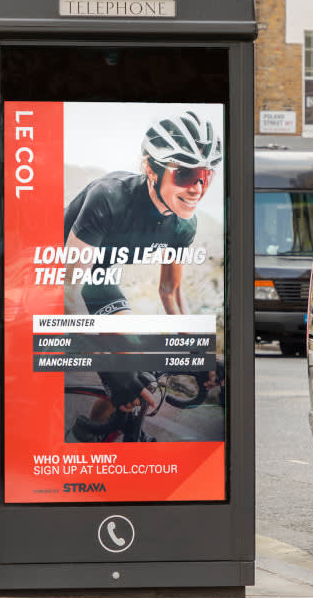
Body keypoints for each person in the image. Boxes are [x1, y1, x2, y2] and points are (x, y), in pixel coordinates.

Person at [62, 112, 222, 441]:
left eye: (206, 175)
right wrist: (111, 365)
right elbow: (65, 290)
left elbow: (171, 292)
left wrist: (196, 348)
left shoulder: (182, 224)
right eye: (186, 174)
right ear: (151, 168)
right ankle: (82, 438)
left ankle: (97, 431)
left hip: (99, 276)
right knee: (124, 363)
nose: (197, 188)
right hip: (51, 275)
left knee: (138, 367)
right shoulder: (110, 196)